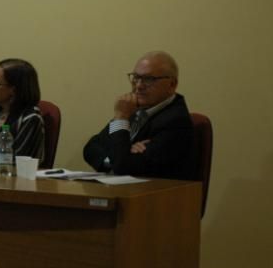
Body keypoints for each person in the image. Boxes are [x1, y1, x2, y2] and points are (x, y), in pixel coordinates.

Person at [83, 51, 195, 180]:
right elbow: (91, 147)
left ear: (172, 84)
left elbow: (122, 167)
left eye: (148, 79)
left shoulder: (176, 121)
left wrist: (121, 118)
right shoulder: (136, 109)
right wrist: (116, 157)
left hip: (157, 196)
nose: (138, 86)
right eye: (136, 77)